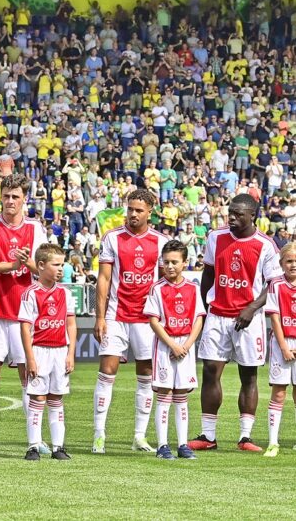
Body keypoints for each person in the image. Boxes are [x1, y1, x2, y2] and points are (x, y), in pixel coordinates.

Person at [189, 193, 282, 452]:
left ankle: (245, 437)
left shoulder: (265, 244)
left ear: (253, 215)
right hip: (218, 315)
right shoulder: (215, 237)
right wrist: (205, 308)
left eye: (238, 214)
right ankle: (208, 436)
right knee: (210, 372)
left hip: (248, 319)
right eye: (230, 212)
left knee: (249, 375)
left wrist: (252, 308)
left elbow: (273, 282)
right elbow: (208, 273)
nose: (232, 217)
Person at [0, 173, 46, 455]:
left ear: (25, 199)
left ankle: (35, 439)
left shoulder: (36, 228)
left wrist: (29, 266)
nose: (10, 201)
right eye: (6, 196)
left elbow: (44, 270)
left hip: (25, 312)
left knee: (29, 374)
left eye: (15, 196)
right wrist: (12, 264)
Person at [91, 189, 168, 454]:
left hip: (146, 319)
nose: (133, 214)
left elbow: (162, 284)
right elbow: (103, 279)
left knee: (146, 375)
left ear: (150, 212)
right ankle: (99, 435)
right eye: (130, 209)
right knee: (107, 371)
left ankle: (139, 436)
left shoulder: (160, 241)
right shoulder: (112, 238)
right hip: (115, 315)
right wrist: (99, 317)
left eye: (139, 210)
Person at [143, 240, 205, 460]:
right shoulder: (157, 288)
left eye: (174, 262)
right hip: (165, 347)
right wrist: (173, 344)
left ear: (185, 263)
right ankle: (162, 445)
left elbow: (198, 318)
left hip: (185, 347)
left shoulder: (193, 288)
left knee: (181, 395)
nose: (169, 266)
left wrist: (186, 346)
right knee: (165, 393)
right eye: (166, 262)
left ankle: (182, 444)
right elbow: (153, 320)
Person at [19, 243, 77, 461]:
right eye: (56, 265)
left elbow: (71, 324)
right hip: (40, 351)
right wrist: (30, 358)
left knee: (56, 399)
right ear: (41, 266)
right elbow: (25, 327)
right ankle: (33, 446)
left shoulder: (65, 292)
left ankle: (58, 447)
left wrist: (71, 353)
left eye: (62, 264)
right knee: (38, 398)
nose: (61, 269)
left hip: (60, 351)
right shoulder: (30, 294)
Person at [263, 242, 296, 458]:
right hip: (281, 344)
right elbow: (274, 316)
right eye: (289, 261)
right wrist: (283, 345)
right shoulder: (275, 284)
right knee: (279, 392)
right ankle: (273, 442)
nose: (293, 265)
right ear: (281, 263)